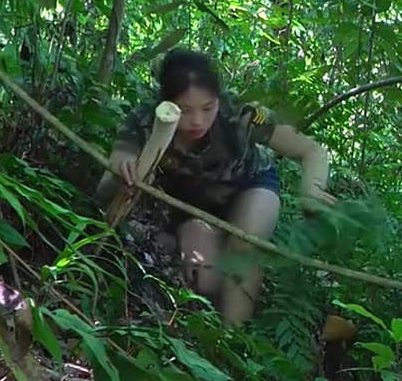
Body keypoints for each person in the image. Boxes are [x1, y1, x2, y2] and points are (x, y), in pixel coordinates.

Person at [99, 49, 335, 325]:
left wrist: (313, 190)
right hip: (190, 204)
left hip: (250, 186)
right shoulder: (145, 118)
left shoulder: (242, 114)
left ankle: (231, 341)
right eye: (185, 110)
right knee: (205, 277)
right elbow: (118, 162)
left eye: (208, 108)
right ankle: (198, 335)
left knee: (244, 246)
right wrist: (125, 168)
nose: (198, 120)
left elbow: (311, 150)